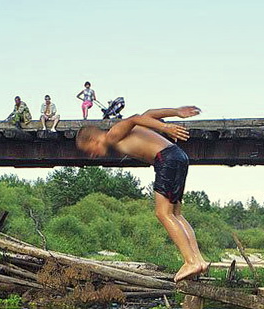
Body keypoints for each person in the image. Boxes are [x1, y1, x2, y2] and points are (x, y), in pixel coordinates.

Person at [75, 105, 209, 282]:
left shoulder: (112, 135)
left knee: (163, 213)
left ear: (94, 139)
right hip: (178, 156)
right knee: (176, 214)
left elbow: (135, 117)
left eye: (89, 150)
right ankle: (199, 260)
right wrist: (176, 112)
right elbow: (149, 114)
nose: (92, 155)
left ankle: (190, 261)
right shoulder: (131, 131)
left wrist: (166, 127)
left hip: (165, 159)